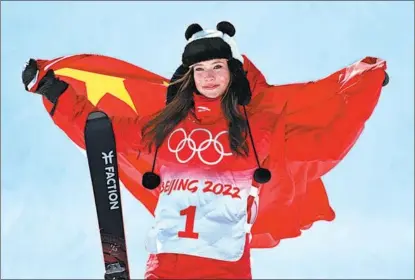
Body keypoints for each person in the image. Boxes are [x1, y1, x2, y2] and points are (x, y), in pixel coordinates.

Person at [21, 21, 389, 279]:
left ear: (233, 72)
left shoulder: (259, 131)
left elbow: (328, 141)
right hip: (165, 267)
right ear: (190, 75)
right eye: (200, 69)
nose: (209, 76)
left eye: (218, 66)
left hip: (226, 268)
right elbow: (101, 134)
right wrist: (56, 92)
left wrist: (364, 91)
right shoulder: (163, 129)